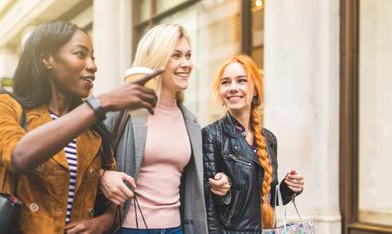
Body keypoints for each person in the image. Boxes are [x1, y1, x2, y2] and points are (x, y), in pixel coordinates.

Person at [0, 21, 161, 233]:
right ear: (47, 59)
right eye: (80, 54)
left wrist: (100, 223)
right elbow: (18, 156)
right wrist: (101, 103)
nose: (92, 65)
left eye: (92, 57)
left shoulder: (92, 128)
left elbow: (114, 203)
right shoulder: (6, 106)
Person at [100, 24, 229, 234]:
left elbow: (189, 184)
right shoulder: (125, 110)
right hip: (130, 229)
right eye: (176, 56)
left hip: (176, 229)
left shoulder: (190, 121)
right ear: (156, 60)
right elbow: (80, 159)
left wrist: (222, 185)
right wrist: (102, 175)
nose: (186, 63)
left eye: (188, 55)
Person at [202, 55, 305, 233]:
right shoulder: (211, 135)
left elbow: (268, 198)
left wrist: (288, 188)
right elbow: (207, 206)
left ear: (255, 89)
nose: (233, 88)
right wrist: (222, 192)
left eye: (241, 81)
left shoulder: (269, 139)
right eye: (226, 82)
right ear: (220, 91)